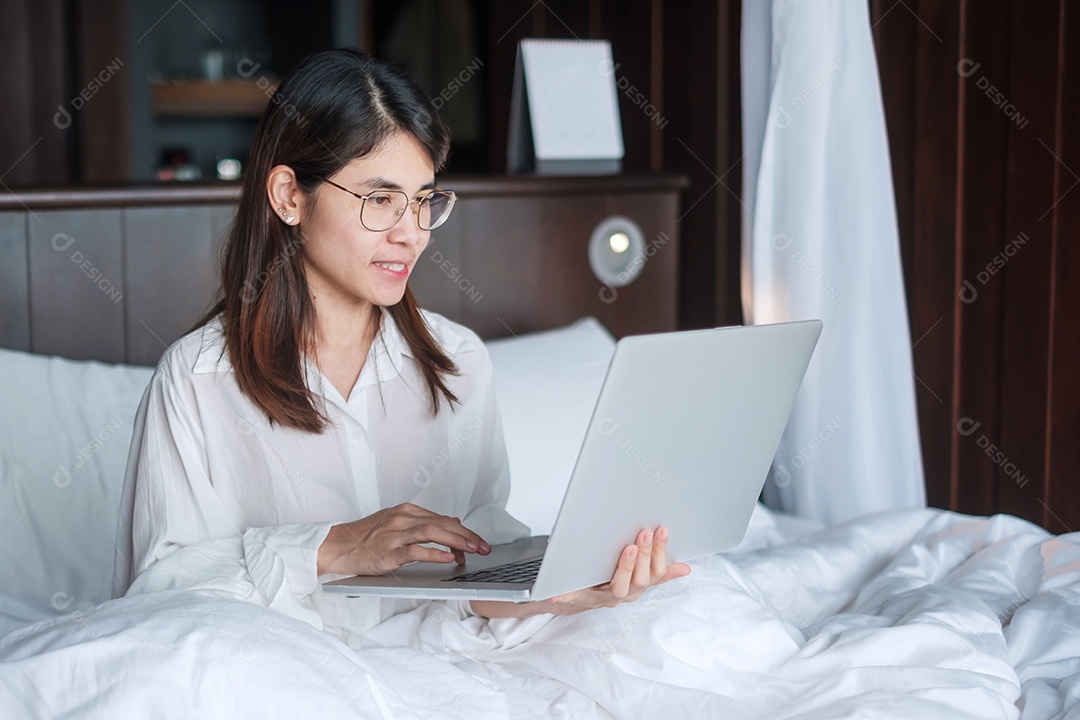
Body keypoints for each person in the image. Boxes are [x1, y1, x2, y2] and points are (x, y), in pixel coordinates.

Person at [112, 48, 689, 646]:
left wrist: (569, 591)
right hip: (275, 677)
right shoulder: (197, 379)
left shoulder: (460, 360)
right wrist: (330, 547)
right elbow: (157, 597)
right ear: (288, 196)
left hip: (443, 668)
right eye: (380, 199)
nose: (410, 231)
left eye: (423, 200)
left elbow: (476, 576)